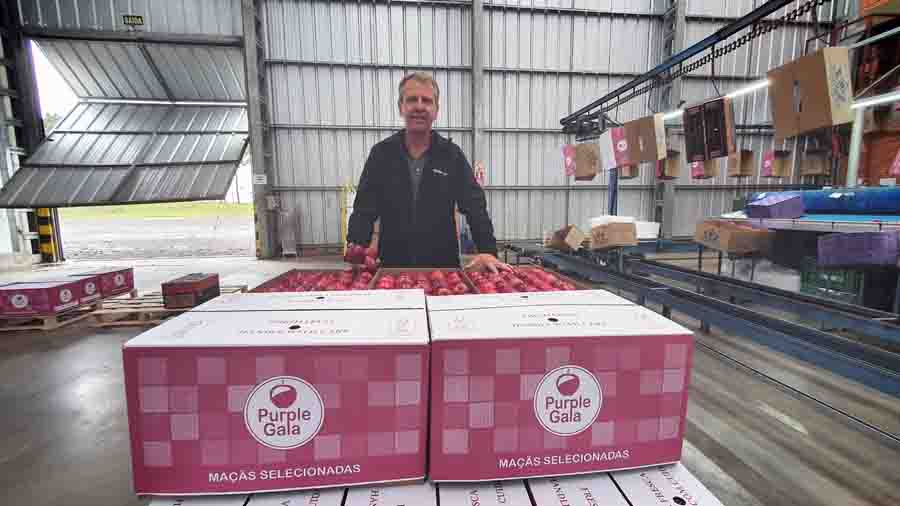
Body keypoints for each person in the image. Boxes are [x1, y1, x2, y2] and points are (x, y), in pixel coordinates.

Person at [346, 72, 511, 273]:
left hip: (444, 271)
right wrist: (356, 246)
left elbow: (475, 205)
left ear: (436, 110)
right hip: (392, 270)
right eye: (412, 100)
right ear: (401, 107)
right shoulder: (382, 154)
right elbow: (364, 207)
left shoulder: (451, 155)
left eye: (427, 101)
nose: (419, 106)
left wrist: (488, 251)